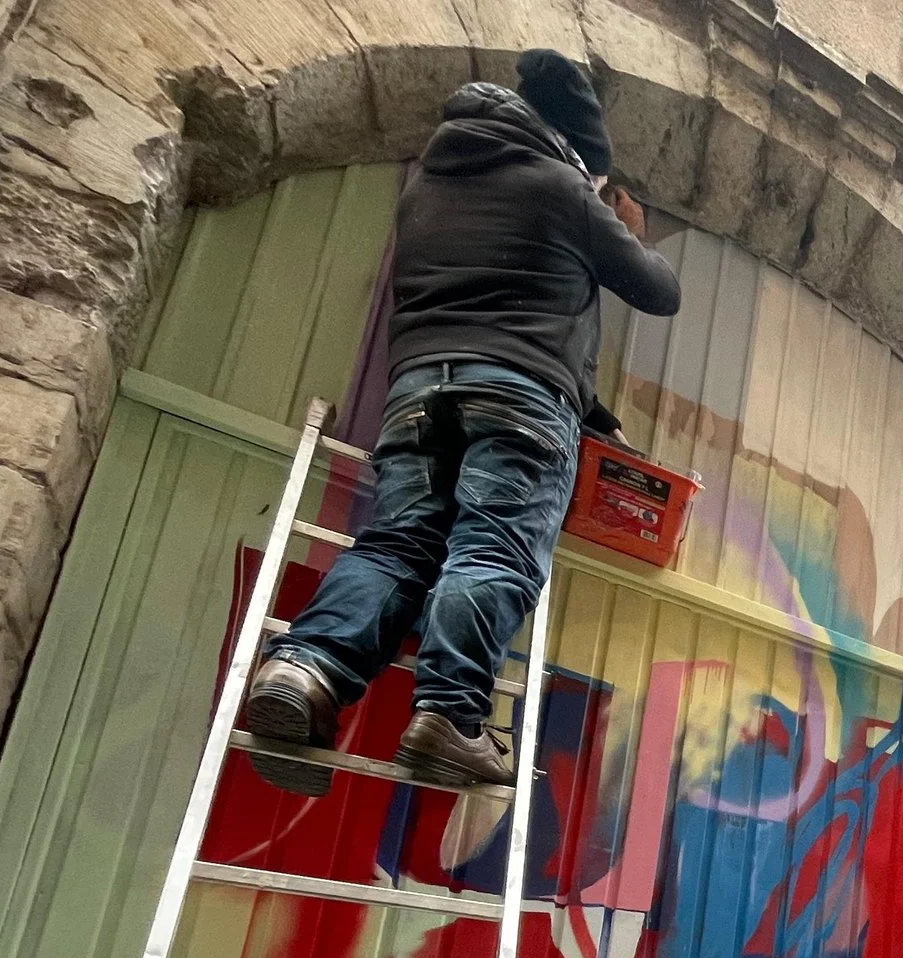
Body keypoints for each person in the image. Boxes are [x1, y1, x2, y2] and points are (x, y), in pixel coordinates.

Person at [244, 50, 681, 792]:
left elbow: (505, 299)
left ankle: (306, 668)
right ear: (574, 150)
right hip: (518, 404)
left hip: (419, 395)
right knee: (494, 544)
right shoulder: (561, 186)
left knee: (397, 541)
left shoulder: (426, 188)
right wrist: (618, 223)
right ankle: (449, 714)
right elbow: (659, 290)